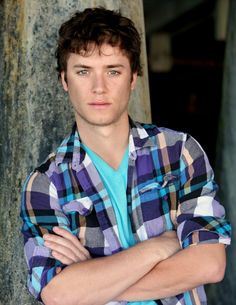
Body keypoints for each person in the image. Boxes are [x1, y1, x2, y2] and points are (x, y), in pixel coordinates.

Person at [20, 7, 231, 305]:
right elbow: (57, 293)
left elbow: (209, 263)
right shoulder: (45, 184)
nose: (99, 87)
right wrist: (161, 247)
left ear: (133, 77)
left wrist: (89, 277)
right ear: (64, 80)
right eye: (83, 71)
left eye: (113, 71)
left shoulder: (179, 152)